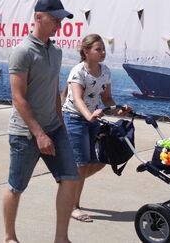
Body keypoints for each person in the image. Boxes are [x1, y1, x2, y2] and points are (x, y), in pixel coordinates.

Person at [3, 0, 78, 243]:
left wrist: (60, 125)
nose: (59, 24)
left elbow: (55, 92)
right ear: (38, 18)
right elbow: (18, 98)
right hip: (25, 134)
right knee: (16, 187)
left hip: (54, 128)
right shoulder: (23, 51)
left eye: (61, 19)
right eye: (55, 19)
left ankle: (61, 238)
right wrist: (39, 134)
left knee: (69, 178)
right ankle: (9, 236)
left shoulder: (55, 51)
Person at [61, 34, 127, 222]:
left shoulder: (105, 71)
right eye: (98, 49)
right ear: (86, 52)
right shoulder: (78, 71)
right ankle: (74, 206)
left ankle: (69, 185)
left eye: (103, 49)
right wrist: (89, 115)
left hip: (93, 120)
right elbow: (77, 98)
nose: (103, 52)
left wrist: (119, 109)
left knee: (99, 162)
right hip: (75, 119)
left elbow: (106, 99)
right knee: (81, 164)